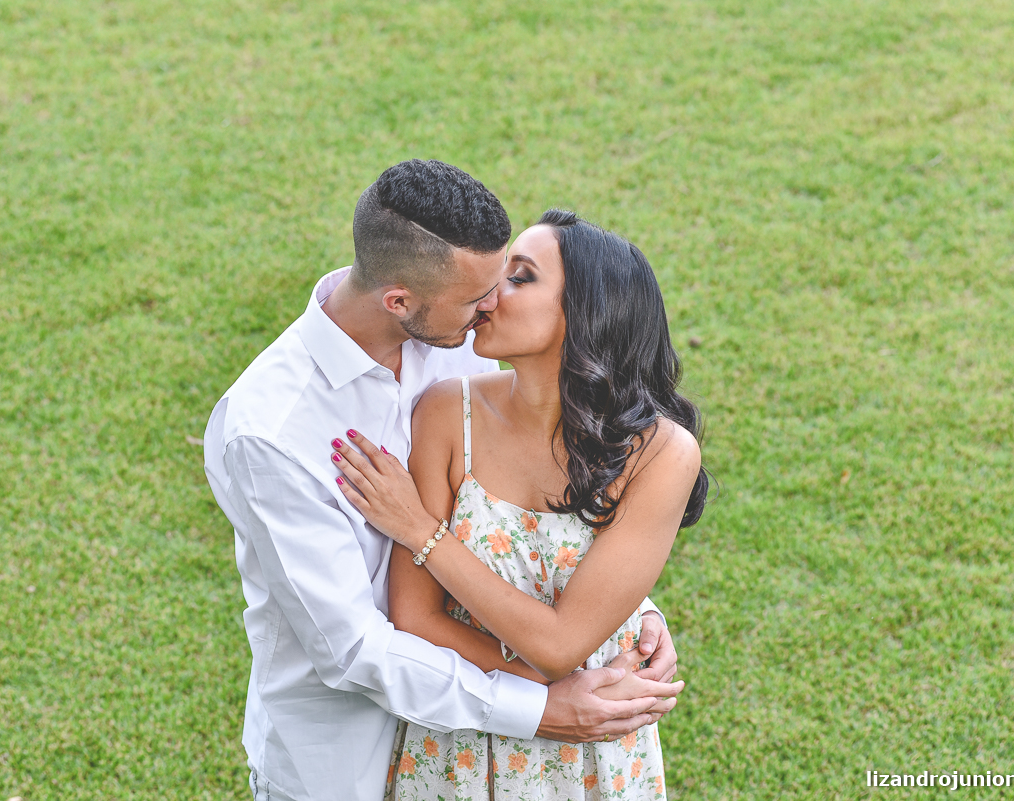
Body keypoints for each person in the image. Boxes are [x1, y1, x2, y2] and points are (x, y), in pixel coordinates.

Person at [203, 161, 686, 801]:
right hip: (351, 760)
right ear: (398, 300)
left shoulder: (462, 331)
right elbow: (354, 650)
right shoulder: (270, 432)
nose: (492, 305)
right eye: (479, 295)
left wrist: (618, 610)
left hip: (511, 704)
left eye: (507, 278)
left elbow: (533, 507)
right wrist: (542, 705)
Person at [329, 209, 709, 799]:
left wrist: (422, 531)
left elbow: (563, 643)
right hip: (462, 738)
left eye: (520, 277)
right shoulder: (445, 413)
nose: (489, 294)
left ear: (588, 310)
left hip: (591, 741)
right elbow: (417, 616)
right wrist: (541, 694)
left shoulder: (662, 453)